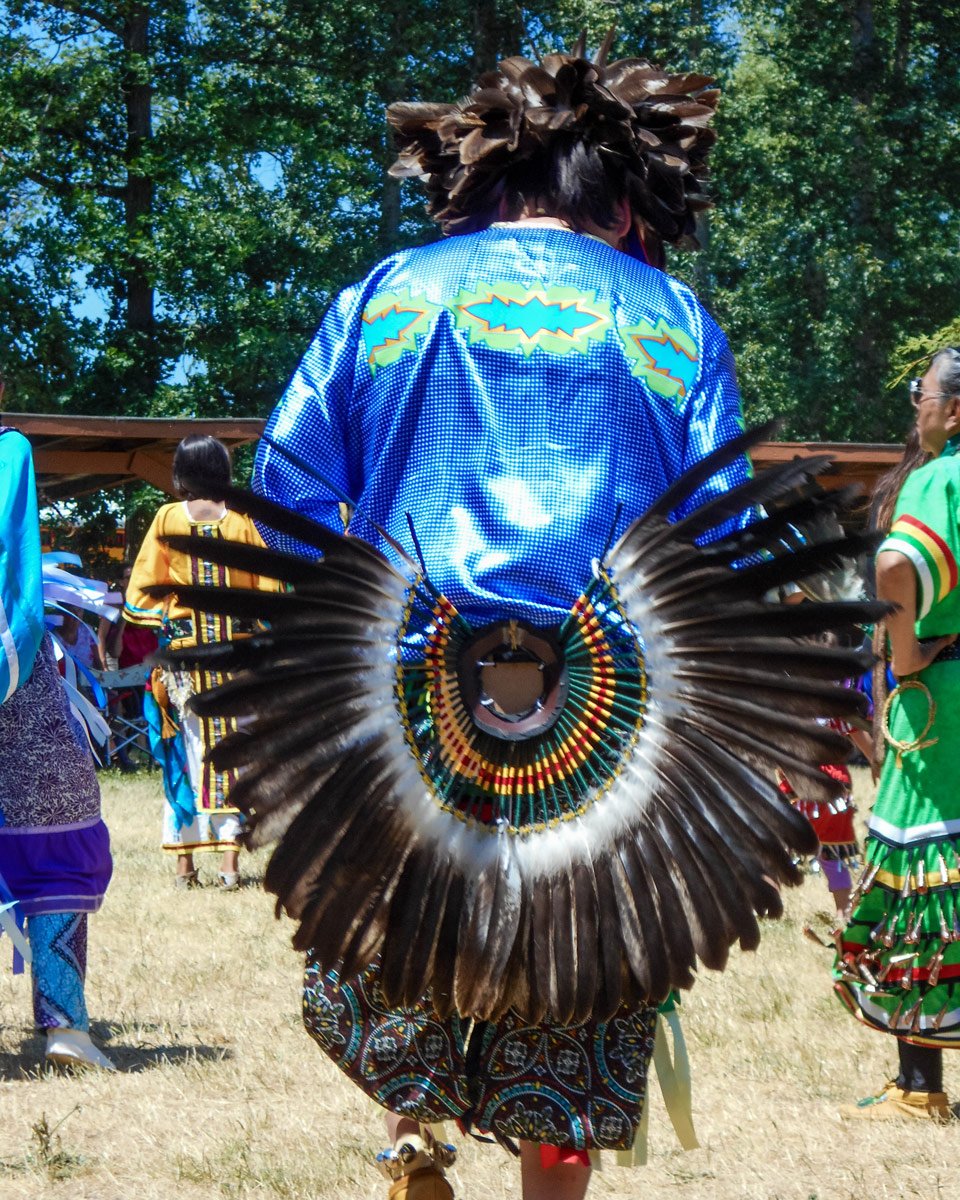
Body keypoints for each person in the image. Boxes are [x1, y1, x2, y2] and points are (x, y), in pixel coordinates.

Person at [250, 39, 762, 1200]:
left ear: (478, 189)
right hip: (603, 710)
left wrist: (342, 634)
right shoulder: (672, 320)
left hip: (408, 689)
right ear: (625, 201)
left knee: (408, 934)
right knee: (577, 974)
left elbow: (288, 494)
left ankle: (413, 1144)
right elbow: (722, 537)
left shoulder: (387, 297)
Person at [835, 347, 960, 1120]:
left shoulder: (940, 477)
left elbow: (893, 565)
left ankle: (920, 1090)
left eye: (921, 394)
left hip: (942, 706)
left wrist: (908, 657)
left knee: (925, 876)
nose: (915, 407)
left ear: (954, 409)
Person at [0, 427, 114, 1070]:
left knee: (55, 819)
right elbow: (15, 575)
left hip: (14, 667)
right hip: (13, 668)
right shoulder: (7, 451)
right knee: (55, 827)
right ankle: (65, 1023)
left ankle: (67, 1025)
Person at [123, 435, 276, 890]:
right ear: (222, 470)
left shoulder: (167, 517)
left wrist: (171, 619)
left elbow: (140, 597)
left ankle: (185, 868)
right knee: (236, 759)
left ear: (182, 471)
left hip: (184, 668)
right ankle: (230, 867)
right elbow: (269, 596)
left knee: (183, 759)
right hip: (237, 664)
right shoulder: (241, 524)